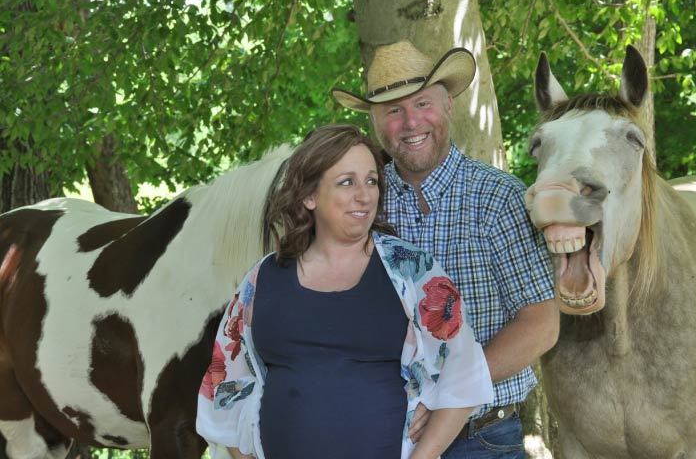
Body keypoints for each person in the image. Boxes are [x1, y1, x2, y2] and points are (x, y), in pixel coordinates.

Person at [196, 124, 493, 459]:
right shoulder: (262, 279)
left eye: (371, 181)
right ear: (309, 196)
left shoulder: (412, 271)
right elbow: (223, 391)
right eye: (346, 182)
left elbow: (464, 374)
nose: (364, 195)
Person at [331, 41, 559, 458]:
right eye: (393, 110)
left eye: (422, 103)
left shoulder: (499, 199)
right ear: (376, 122)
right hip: (376, 436)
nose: (411, 122)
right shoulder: (361, 203)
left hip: (484, 437)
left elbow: (541, 324)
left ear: (449, 104)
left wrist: (445, 393)